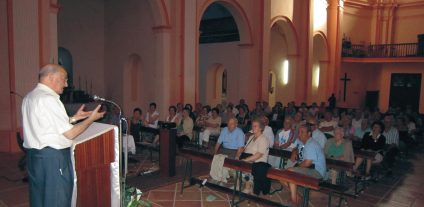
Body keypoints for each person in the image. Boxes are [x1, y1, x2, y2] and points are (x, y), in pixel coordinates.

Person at [22, 64, 105, 207]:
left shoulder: (30, 97)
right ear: (50, 78)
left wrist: (74, 118)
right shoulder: (49, 99)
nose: (66, 84)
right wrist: (90, 120)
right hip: (53, 160)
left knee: (39, 200)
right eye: (64, 79)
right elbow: (70, 133)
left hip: (35, 158)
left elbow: (46, 126)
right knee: (57, 200)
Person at [285, 124, 326, 205]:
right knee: (282, 175)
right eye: (299, 132)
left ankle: (294, 202)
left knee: (290, 172)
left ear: (309, 133)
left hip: (317, 172)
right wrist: (294, 151)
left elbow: (307, 163)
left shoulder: (311, 144)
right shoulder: (301, 141)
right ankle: (297, 196)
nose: (299, 134)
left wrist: (296, 168)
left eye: (302, 132)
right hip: (308, 169)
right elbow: (296, 147)